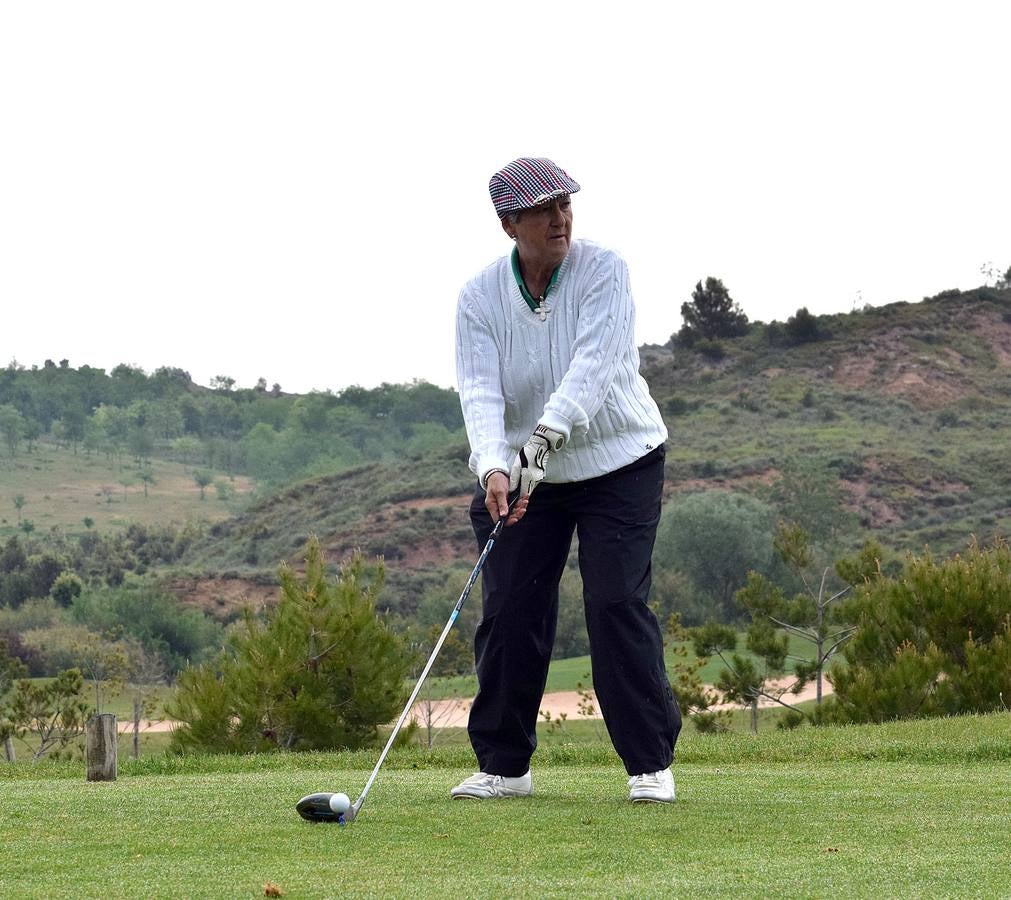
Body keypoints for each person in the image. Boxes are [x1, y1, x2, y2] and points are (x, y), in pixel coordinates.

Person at [452, 157, 681, 804]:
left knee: (613, 603)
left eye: (565, 205)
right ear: (508, 224)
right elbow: (478, 391)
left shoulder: (604, 270)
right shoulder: (477, 298)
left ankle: (647, 765)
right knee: (511, 607)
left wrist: (543, 440)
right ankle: (504, 766)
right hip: (529, 474)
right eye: (542, 209)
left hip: (620, 461)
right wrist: (493, 466)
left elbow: (595, 367)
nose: (560, 218)